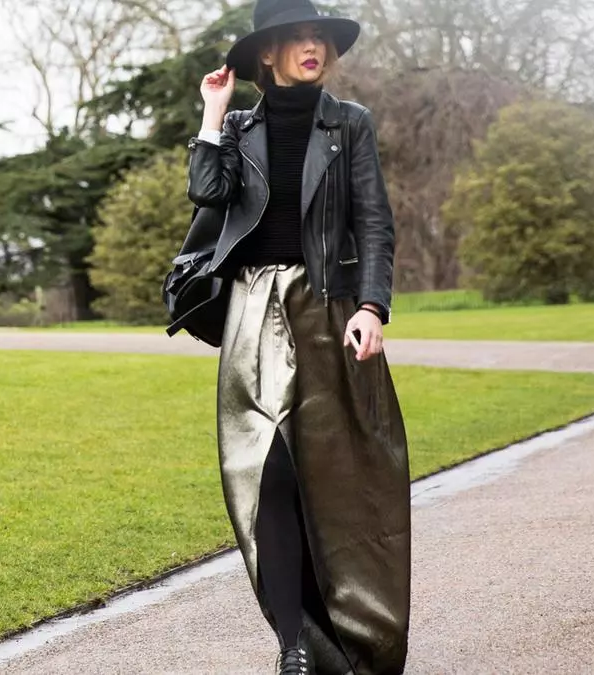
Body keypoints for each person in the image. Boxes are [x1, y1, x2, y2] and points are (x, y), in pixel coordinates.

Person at [183, 1, 411, 673]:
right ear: (268, 53)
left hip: (330, 312)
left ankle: (357, 639)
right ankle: (294, 647)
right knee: (268, 472)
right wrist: (213, 113)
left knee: (340, 479)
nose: (312, 46)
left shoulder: (350, 123)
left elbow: (375, 222)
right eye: (297, 37)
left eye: (318, 36)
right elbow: (207, 193)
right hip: (253, 311)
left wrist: (371, 306)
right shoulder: (241, 128)